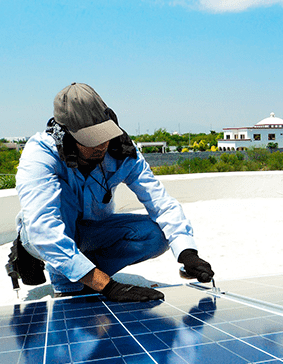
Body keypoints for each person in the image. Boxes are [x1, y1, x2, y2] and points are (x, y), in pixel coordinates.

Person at [14, 82, 214, 302]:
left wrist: (187, 252)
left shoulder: (122, 150)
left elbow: (160, 201)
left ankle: (80, 271)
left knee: (156, 236)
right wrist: (108, 287)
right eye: (91, 139)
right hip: (42, 235)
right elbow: (44, 229)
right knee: (61, 202)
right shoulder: (40, 154)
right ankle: (65, 278)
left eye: (104, 134)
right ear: (67, 135)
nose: (101, 145)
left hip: (94, 229)